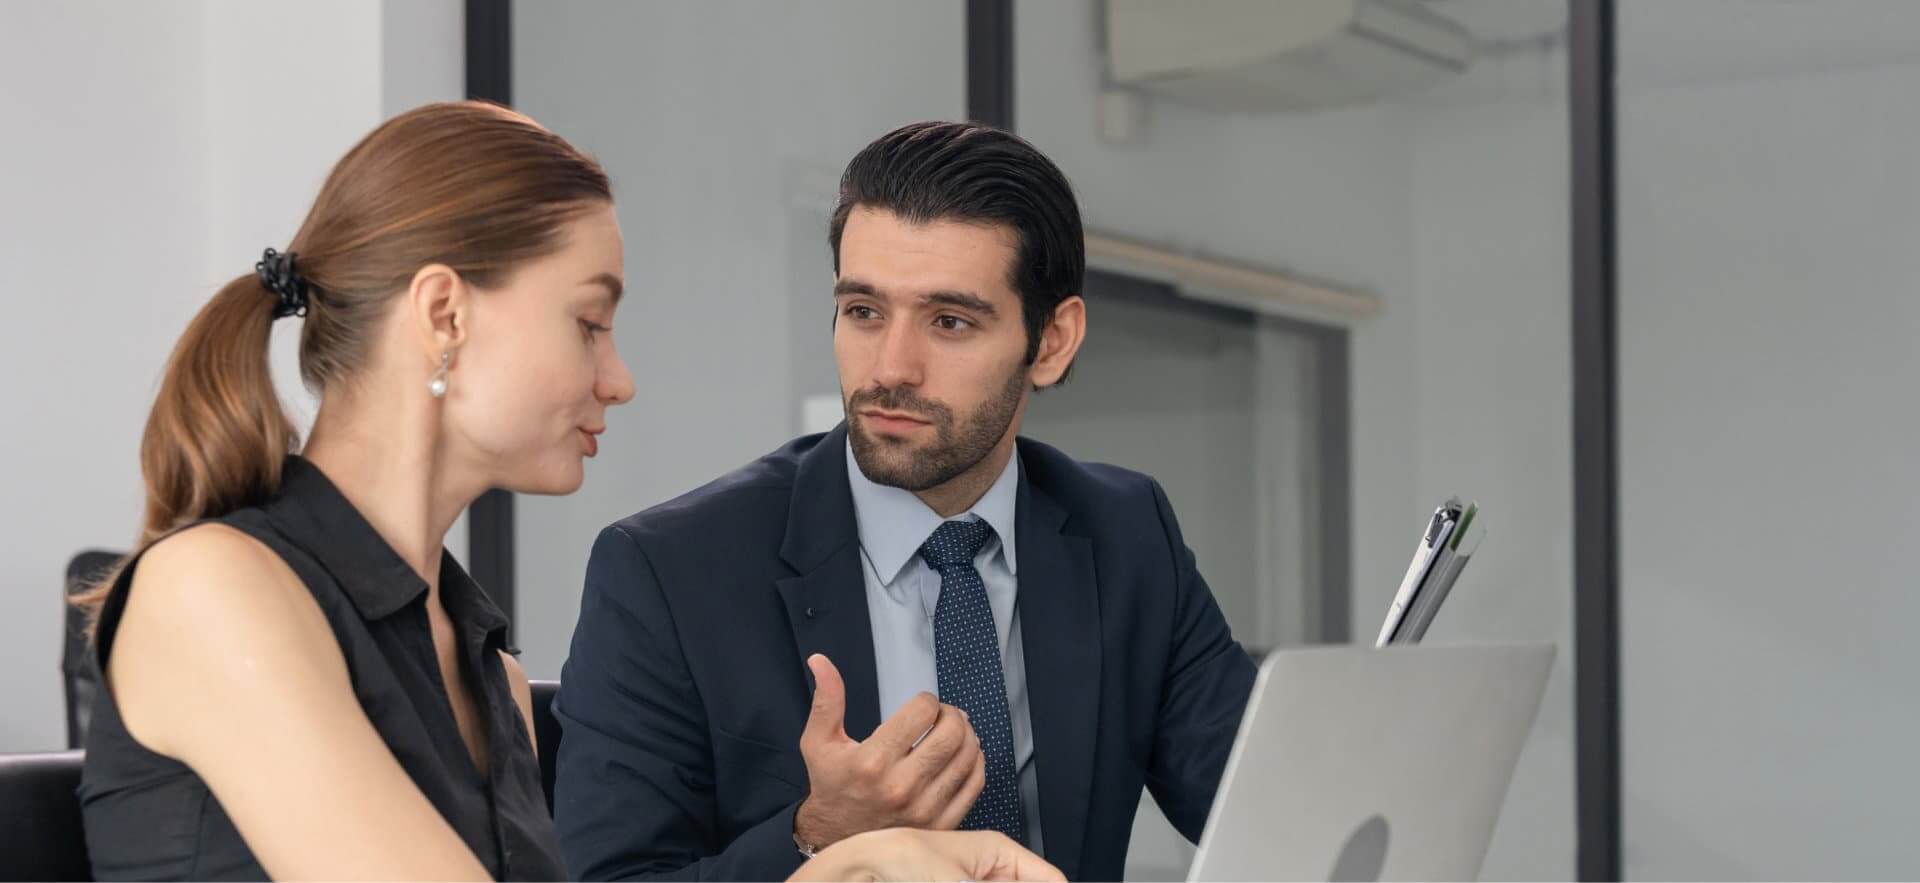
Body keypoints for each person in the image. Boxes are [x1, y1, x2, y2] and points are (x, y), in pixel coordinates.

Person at [74, 101, 1060, 883]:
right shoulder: (214, 592)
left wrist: (862, 855)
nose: (618, 375)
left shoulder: (482, 665)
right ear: (444, 313)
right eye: (590, 323)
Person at [554, 121, 1260, 882]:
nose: (891, 367)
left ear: (1052, 343)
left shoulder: (1127, 534)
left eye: (949, 321)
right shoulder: (669, 571)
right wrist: (821, 834)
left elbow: (1266, 810)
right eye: (864, 311)